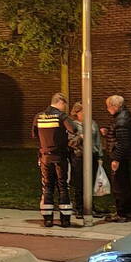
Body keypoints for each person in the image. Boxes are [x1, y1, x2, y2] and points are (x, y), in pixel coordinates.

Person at [32, 93, 77, 228]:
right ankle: (65, 220)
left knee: (47, 187)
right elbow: (73, 129)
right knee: (63, 186)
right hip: (60, 157)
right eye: (65, 105)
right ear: (60, 102)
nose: (65, 108)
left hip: (45, 156)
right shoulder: (61, 116)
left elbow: (34, 134)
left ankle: (48, 219)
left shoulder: (38, 116)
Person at [100, 95, 131, 222]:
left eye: (108, 106)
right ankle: (126, 210)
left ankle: (122, 212)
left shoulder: (121, 120)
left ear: (115, 106)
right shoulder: (123, 117)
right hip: (123, 156)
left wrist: (116, 159)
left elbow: (122, 142)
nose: (107, 109)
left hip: (119, 157)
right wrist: (109, 131)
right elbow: (119, 135)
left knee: (119, 184)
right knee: (124, 183)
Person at [68, 102, 102, 219]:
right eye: (83, 111)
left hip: (92, 155)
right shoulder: (72, 125)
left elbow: (97, 140)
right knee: (80, 183)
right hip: (79, 156)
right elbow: (71, 142)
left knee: (91, 182)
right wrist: (80, 137)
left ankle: (91, 207)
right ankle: (79, 208)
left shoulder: (93, 124)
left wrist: (100, 156)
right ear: (77, 113)